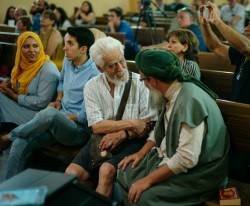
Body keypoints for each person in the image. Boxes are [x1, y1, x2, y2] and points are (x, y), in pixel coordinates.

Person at [117, 49, 229, 205]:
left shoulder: (189, 100)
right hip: (170, 155)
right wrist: (141, 153)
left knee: (144, 197)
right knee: (124, 170)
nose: (145, 86)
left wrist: (147, 181)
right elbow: (161, 129)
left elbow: (186, 158)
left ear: (153, 80)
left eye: (143, 80)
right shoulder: (173, 89)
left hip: (200, 173)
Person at [65, 36, 158, 198]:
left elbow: (147, 124)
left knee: (106, 170)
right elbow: (97, 126)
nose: (120, 68)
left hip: (134, 140)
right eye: (112, 65)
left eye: (121, 61)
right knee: (71, 173)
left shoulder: (140, 84)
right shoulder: (92, 86)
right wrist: (131, 122)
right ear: (100, 68)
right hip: (100, 138)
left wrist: (123, 133)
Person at [2, 27, 100, 179]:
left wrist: (55, 116)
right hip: (58, 120)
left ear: (83, 49)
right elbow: (61, 81)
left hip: (77, 131)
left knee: (48, 113)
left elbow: (84, 116)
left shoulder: (95, 74)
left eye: (69, 44)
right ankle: (8, 192)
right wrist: (58, 100)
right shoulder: (69, 62)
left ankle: (9, 136)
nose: (64, 47)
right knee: (20, 143)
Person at [0, 31, 59, 134]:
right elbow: (20, 86)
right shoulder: (22, 65)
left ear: (40, 47)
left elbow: (41, 103)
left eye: (35, 46)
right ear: (20, 49)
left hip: (37, 115)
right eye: (26, 46)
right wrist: (9, 85)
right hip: (24, 107)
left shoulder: (48, 70)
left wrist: (13, 95)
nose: (32, 50)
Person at [200, 1, 250, 104]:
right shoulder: (241, 53)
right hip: (237, 109)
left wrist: (218, 21)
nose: (246, 28)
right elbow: (215, 47)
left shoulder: (245, 48)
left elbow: (246, 47)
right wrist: (205, 25)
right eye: (248, 24)